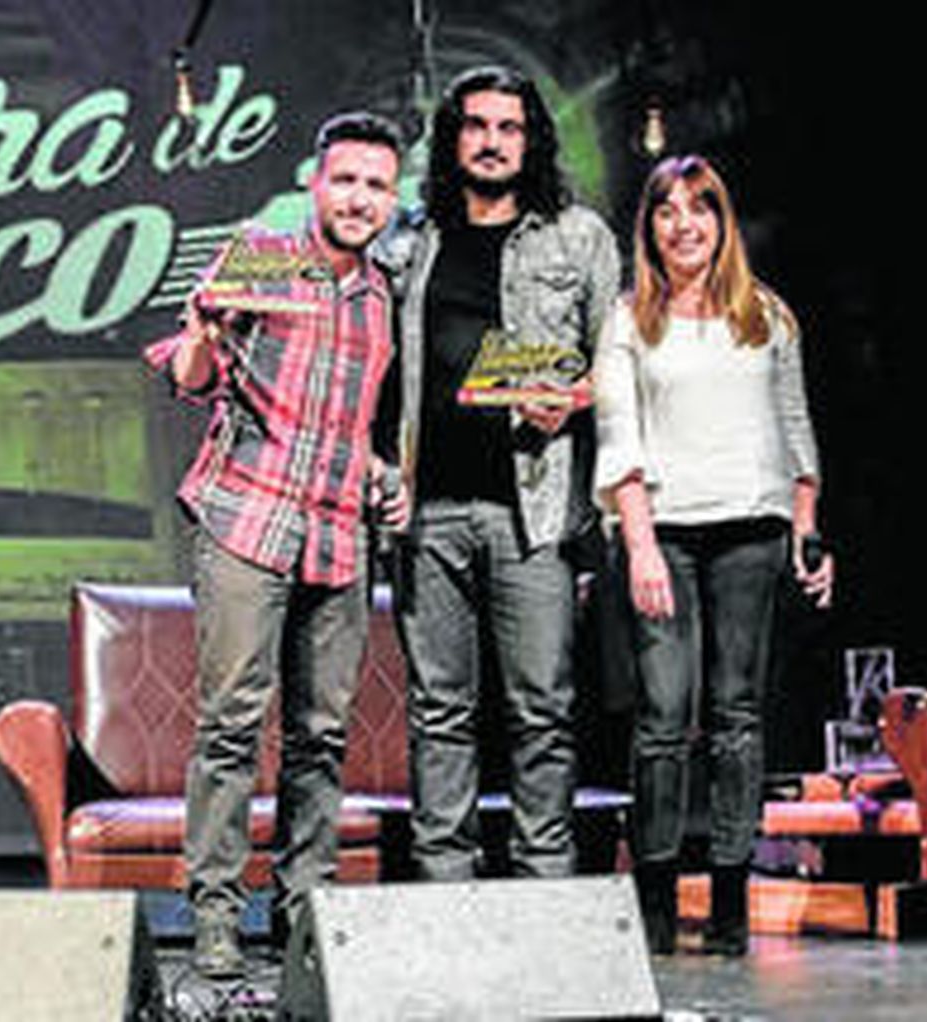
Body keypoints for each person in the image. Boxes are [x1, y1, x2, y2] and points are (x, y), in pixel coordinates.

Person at [144, 111, 408, 978]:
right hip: (248, 518)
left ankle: (303, 917)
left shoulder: (381, 297)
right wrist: (205, 331)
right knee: (230, 725)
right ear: (314, 184)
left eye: (376, 185)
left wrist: (383, 477)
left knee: (321, 736)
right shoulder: (262, 253)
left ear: (392, 198)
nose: (359, 198)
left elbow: (353, 425)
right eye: (345, 180)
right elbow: (192, 377)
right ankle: (217, 916)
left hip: (337, 531)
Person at [377, 66, 619, 881]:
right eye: (475, 126)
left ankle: (543, 888)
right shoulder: (410, 240)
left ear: (531, 139)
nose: (490, 141)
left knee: (540, 710)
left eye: (508, 127)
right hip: (428, 508)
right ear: (452, 141)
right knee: (439, 711)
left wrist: (572, 400)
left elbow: (616, 367)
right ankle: (446, 886)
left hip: (535, 510)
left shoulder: (578, 237)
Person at [593, 154, 834, 955]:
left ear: (723, 223)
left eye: (701, 209)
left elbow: (796, 432)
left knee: (737, 717)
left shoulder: (767, 315)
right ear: (650, 228)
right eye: (667, 210)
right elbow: (618, 438)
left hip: (753, 530)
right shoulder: (629, 319)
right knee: (664, 717)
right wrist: (638, 544)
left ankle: (730, 893)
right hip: (663, 531)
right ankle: (656, 894)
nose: (684, 224)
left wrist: (807, 531)